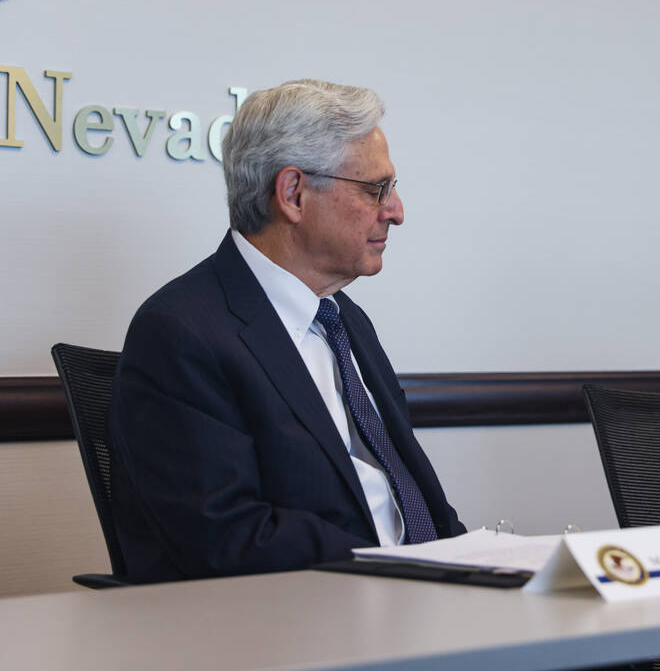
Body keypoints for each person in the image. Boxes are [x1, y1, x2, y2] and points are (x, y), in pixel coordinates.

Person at [109, 79, 465, 583]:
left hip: (423, 603)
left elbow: (414, 499)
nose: (396, 211)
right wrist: (402, 569)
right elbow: (229, 537)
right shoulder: (181, 333)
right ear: (293, 194)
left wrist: (483, 564)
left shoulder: (345, 320)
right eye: (375, 189)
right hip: (300, 629)